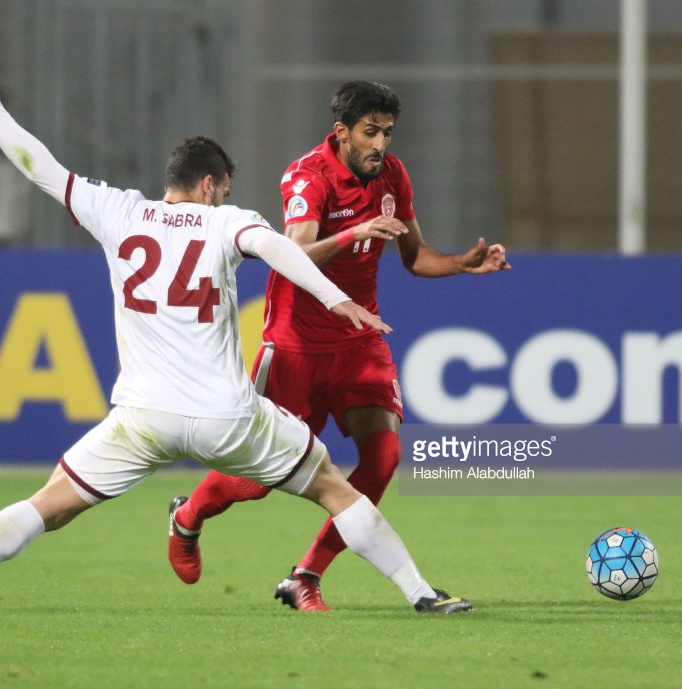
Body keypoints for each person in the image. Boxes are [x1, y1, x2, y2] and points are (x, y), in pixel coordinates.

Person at [0, 45, 472, 615]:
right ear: (210, 185)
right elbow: (280, 250)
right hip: (225, 416)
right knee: (336, 489)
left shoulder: (116, 211)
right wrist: (340, 299)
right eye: (224, 190)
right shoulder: (224, 221)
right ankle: (421, 594)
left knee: (48, 503)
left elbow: (40, 168)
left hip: (142, 417)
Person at [168, 80, 511, 611]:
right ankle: (187, 515)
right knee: (257, 479)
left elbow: (414, 257)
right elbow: (295, 252)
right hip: (296, 344)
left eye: (387, 133)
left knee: (384, 456)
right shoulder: (308, 175)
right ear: (342, 132)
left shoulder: (393, 175)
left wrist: (462, 264)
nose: (380, 144)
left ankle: (305, 575)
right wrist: (355, 231)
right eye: (370, 132)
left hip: (358, 339)